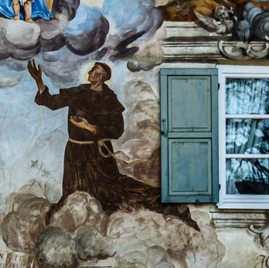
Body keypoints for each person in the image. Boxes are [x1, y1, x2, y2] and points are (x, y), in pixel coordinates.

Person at [29, 61, 195, 226]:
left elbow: (117, 130)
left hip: (99, 154)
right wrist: (39, 81)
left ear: (102, 76)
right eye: (93, 68)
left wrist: (91, 127)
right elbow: (51, 102)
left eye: (96, 70)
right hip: (75, 152)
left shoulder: (109, 99)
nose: (91, 71)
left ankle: (167, 204)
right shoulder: (77, 92)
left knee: (111, 192)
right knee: (74, 193)